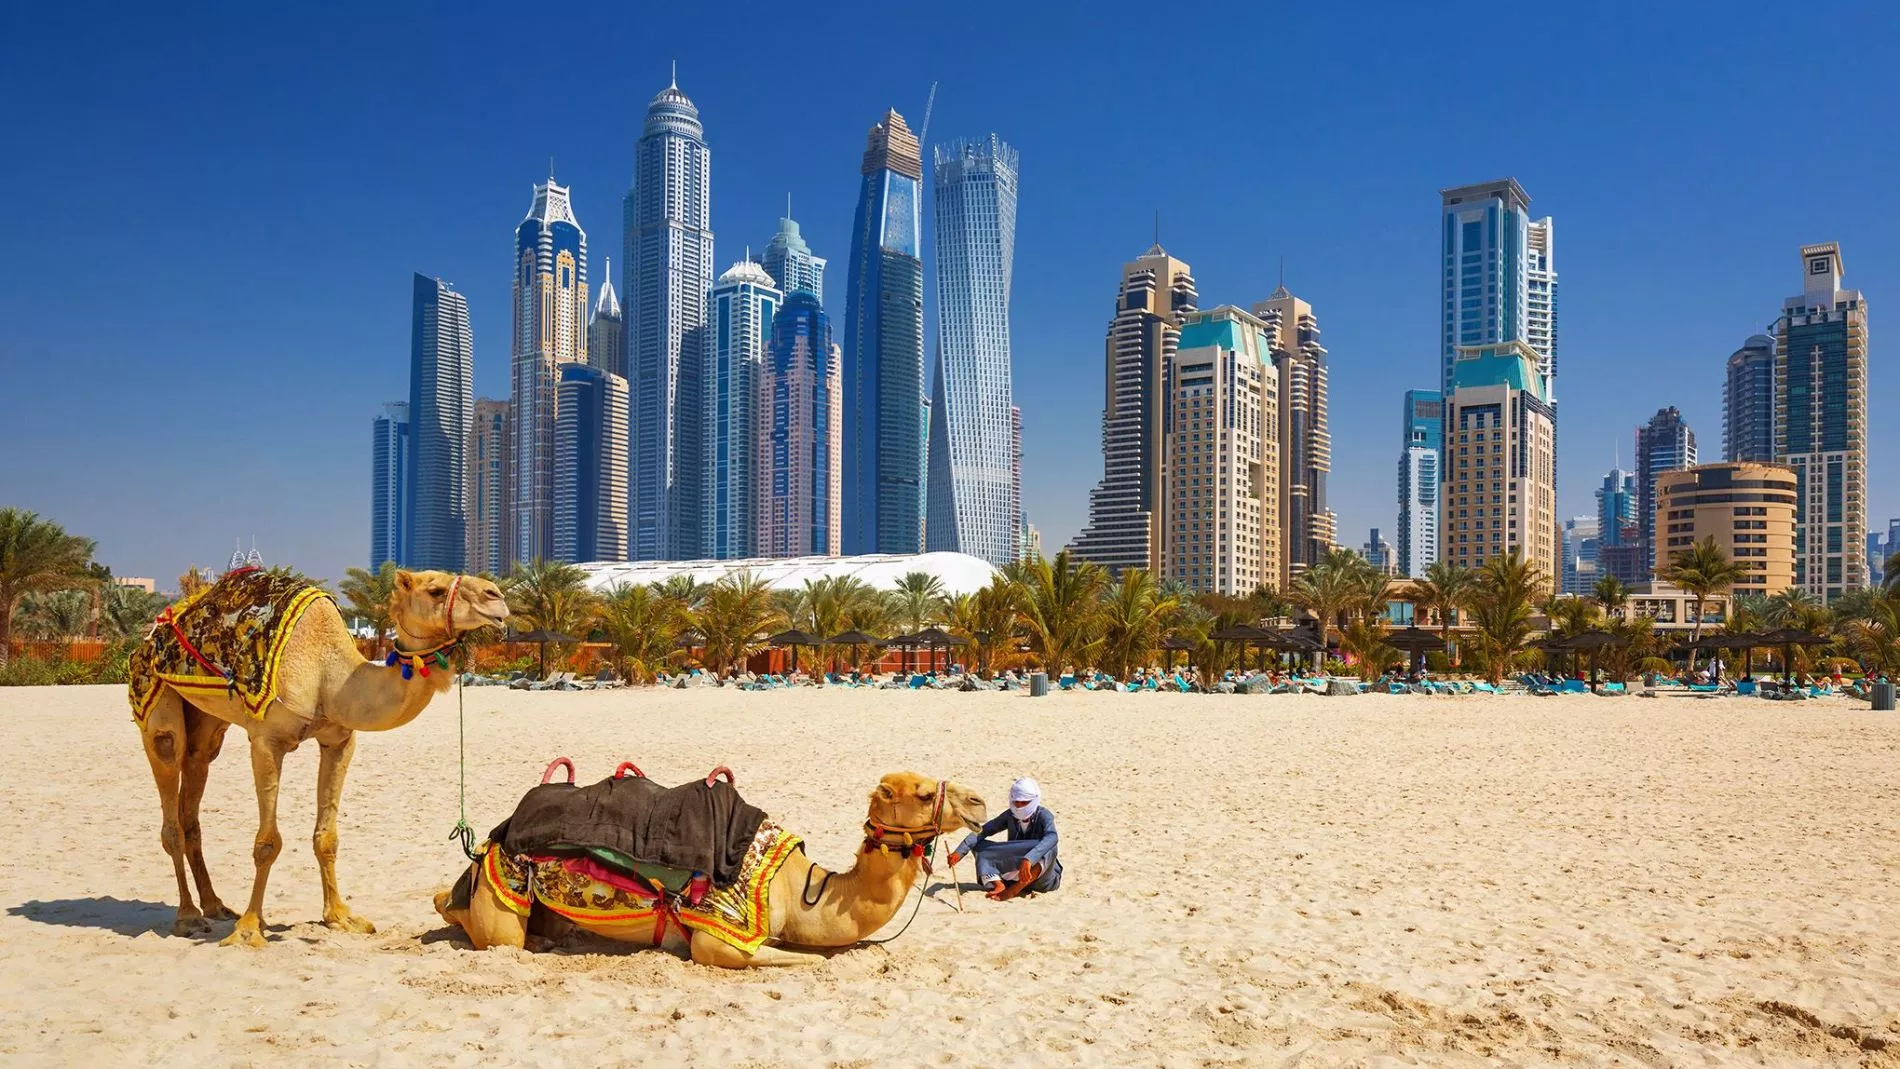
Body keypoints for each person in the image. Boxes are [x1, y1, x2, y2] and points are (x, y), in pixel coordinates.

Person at [946, 778, 1062, 900]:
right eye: (1016, 801)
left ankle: (1014, 890)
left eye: (1024, 802)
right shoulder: (1010, 815)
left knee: (1050, 846)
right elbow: (983, 831)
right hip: (1014, 874)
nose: (1018, 806)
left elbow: (1052, 837)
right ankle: (998, 884)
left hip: (1042, 880)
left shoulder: (1044, 815)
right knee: (977, 844)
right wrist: (959, 851)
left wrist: (1029, 859)